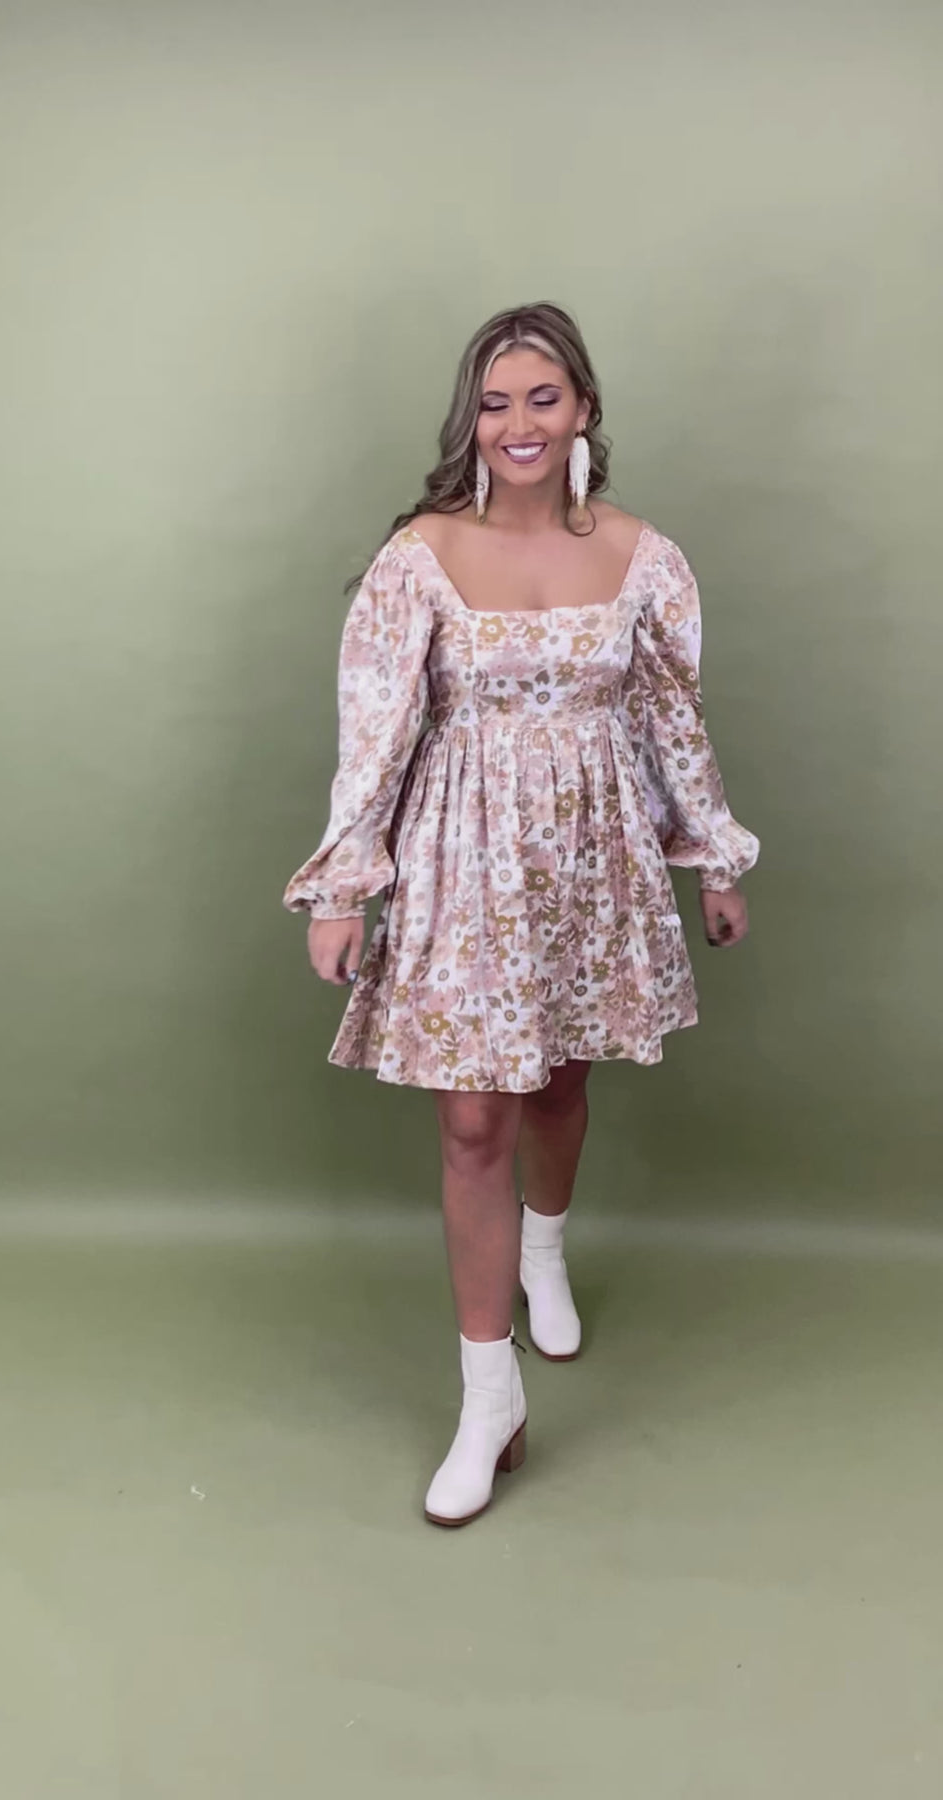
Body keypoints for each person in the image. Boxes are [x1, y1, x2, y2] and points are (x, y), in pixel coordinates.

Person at [284, 302, 759, 1529]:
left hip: (591, 854)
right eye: (493, 404)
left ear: (582, 408)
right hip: (462, 854)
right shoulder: (421, 555)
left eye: (540, 398)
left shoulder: (643, 557)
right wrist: (342, 885)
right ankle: (486, 1397)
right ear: (471, 421)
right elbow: (374, 731)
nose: (516, 424)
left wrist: (714, 857)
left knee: (555, 1085)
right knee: (471, 1116)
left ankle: (544, 1247)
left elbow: (671, 718)